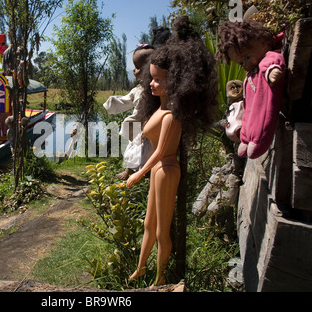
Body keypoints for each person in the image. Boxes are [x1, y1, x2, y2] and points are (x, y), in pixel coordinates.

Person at [126, 16, 218, 286]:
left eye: (157, 80)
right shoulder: (160, 110)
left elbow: (162, 151)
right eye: (151, 78)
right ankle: (142, 267)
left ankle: (160, 276)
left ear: (175, 82)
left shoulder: (171, 117)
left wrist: (138, 173)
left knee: (161, 229)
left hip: (166, 169)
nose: (151, 84)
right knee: (148, 224)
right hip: (158, 169)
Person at [216, 20, 286, 159]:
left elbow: (273, 61)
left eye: (247, 57)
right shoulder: (251, 74)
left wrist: (272, 71)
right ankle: (246, 138)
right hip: (251, 109)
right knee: (248, 114)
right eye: (241, 63)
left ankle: (256, 140)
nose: (245, 64)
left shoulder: (265, 60)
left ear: (262, 42)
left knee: (260, 117)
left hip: (264, 111)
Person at [103, 44, 155, 180]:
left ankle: (140, 173)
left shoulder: (152, 90)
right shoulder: (139, 89)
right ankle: (132, 171)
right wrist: (112, 102)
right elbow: (127, 101)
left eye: (137, 67)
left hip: (147, 126)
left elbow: (141, 109)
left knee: (143, 149)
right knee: (136, 149)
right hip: (139, 126)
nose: (134, 70)